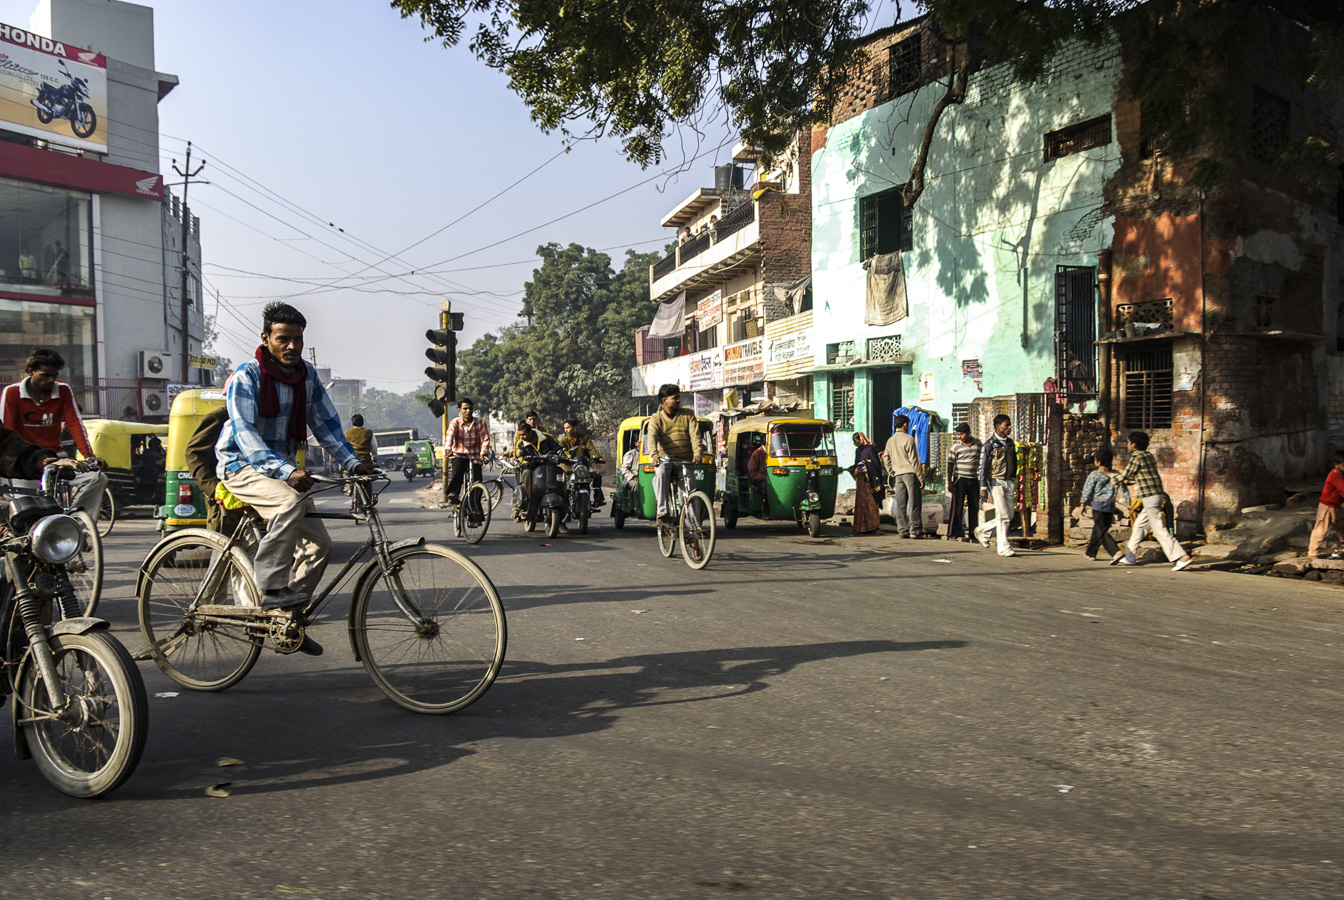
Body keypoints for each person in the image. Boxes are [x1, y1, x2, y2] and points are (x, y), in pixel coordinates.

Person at [214, 302, 374, 645]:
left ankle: (286, 621)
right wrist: (286, 471)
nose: (291, 347)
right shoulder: (248, 376)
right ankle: (272, 586)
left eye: (297, 340)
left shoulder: (307, 377)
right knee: (289, 501)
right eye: (283, 339)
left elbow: (327, 426)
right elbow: (246, 435)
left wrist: (353, 464)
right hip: (242, 465)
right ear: (266, 338)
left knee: (320, 545)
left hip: (280, 469)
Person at [1, 347, 107, 518]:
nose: (50, 380)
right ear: (31, 371)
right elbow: (8, 432)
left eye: (54, 376)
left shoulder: (63, 391)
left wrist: (89, 457)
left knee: (97, 478)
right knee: (27, 513)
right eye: (45, 375)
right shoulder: (12, 393)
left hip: (57, 457)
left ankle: (76, 523)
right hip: (26, 461)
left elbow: (75, 424)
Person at [1111, 431, 1193, 571]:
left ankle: (1181, 556)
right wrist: (1126, 481)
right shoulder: (1148, 456)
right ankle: (1130, 556)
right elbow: (1138, 477)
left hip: (1150, 497)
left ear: (1134, 445)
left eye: (1129, 442)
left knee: (1159, 529)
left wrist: (1113, 479)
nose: (1128, 445)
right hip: (1155, 495)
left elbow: (1127, 473)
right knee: (1139, 527)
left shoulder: (1137, 457)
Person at [646, 384, 701, 525]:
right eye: (674, 398)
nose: (678, 400)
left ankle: (692, 531)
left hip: (685, 460)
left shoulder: (688, 414)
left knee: (689, 494)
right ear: (664, 401)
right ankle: (662, 511)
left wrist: (697, 452)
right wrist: (654, 455)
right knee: (661, 472)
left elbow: (695, 435)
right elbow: (652, 438)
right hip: (666, 460)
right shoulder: (656, 418)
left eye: (679, 397)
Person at [974, 414, 1018, 557]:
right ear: (998, 427)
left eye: (1009, 425)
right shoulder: (989, 445)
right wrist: (983, 488)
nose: (1009, 427)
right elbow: (982, 467)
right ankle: (1003, 547)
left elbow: (1014, 462)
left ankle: (983, 531)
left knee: (1009, 515)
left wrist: (1013, 479)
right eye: (1007, 425)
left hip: (1009, 482)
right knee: (1003, 516)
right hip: (995, 483)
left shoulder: (1010, 443)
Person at [1078, 448, 1127, 561]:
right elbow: (1123, 488)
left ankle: (1116, 552)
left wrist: (1082, 503)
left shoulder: (1094, 475)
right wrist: (1128, 502)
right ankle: (1091, 553)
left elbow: (1087, 489)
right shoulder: (1115, 474)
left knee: (1101, 530)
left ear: (1099, 461)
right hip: (1110, 506)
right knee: (1099, 528)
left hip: (1098, 506)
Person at [882, 414, 922, 538]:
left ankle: (902, 530)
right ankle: (914, 530)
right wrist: (920, 477)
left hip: (898, 475)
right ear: (905, 425)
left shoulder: (890, 440)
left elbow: (886, 458)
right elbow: (914, 461)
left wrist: (891, 471)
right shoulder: (909, 439)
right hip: (910, 473)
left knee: (901, 504)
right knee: (914, 503)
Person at [444, 398, 489, 505]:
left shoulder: (480, 423)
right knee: (457, 470)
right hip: (459, 455)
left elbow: (485, 439)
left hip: (475, 456)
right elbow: (450, 436)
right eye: (465, 409)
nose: (468, 411)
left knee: (477, 484)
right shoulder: (455, 422)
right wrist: (448, 449)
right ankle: (453, 494)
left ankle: (476, 515)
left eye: (470, 408)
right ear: (460, 410)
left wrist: (483, 453)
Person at [945, 424, 981, 542]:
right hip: (960, 479)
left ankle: (973, 532)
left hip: (974, 479)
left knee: (974, 507)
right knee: (957, 507)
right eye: (958, 434)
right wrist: (950, 482)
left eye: (962, 434)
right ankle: (953, 532)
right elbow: (950, 464)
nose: (960, 437)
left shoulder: (978, 444)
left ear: (969, 433)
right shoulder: (955, 447)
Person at [558, 418, 606, 508]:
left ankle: (598, 498)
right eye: (565, 428)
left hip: (585, 466)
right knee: (566, 486)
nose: (566, 430)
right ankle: (565, 507)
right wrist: (565, 459)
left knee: (596, 476)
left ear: (575, 427)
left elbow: (591, 449)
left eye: (568, 427)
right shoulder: (564, 441)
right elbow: (562, 451)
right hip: (570, 467)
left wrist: (598, 458)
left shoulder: (584, 438)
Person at [1307, 451, 1344, 558]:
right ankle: (1312, 552)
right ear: (1336, 465)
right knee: (1320, 530)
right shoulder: (1335, 475)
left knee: (1341, 526)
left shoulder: (1341, 474)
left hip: (1336, 505)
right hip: (1327, 506)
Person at [851, 433, 884, 535]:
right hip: (861, 481)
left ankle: (875, 526)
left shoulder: (870, 449)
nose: (855, 443)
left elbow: (875, 464)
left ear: (861, 439)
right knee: (862, 504)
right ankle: (862, 527)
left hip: (870, 481)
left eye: (856, 441)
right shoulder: (858, 451)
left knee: (872, 504)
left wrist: (865, 469)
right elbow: (857, 464)